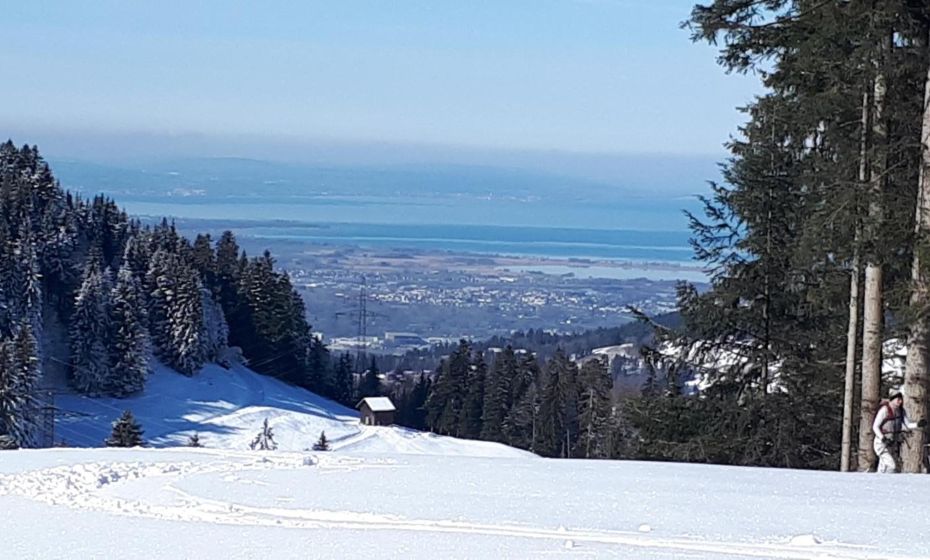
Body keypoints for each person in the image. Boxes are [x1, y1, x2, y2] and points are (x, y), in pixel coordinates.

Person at [872, 387, 927, 473]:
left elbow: (907, 425)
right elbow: (875, 426)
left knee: (882, 468)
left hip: (891, 443)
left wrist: (918, 424)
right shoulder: (884, 410)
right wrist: (883, 438)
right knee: (891, 465)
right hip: (880, 444)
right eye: (898, 399)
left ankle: (878, 484)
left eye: (901, 399)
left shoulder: (901, 411)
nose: (900, 401)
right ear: (892, 399)